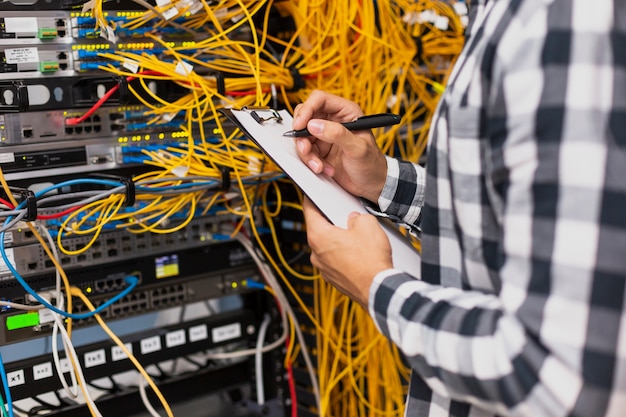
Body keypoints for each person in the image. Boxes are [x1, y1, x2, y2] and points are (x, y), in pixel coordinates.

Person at [292, 0, 626, 416]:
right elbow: (513, 219)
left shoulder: (557, 22)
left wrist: (375, 286)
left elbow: (560, 373)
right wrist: (381, 180)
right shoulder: (508, 18)